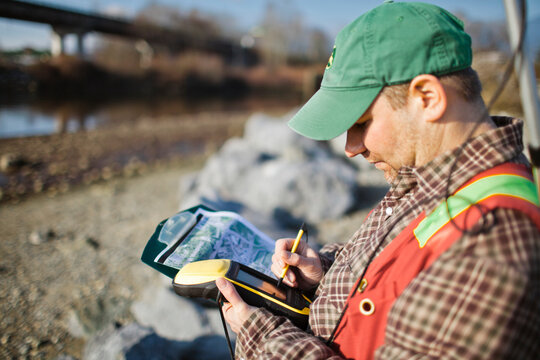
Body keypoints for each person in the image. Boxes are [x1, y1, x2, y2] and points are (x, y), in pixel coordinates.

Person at [216, 1, 540, 359]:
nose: (351, 148)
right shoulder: (435, 173)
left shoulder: (490, 246)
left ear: (427, 98)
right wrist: (325, 270)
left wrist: (260, 335)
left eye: (361, 123)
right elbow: (398, 266)